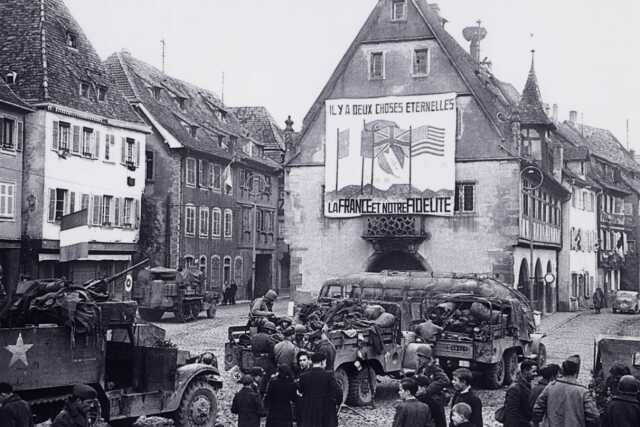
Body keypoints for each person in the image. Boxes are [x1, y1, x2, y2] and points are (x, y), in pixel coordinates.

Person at [532, 355, 600, 427]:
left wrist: (537, 422)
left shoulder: (550, 387)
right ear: (576, 372)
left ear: (563, 370)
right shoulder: (583, 392)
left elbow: (537, 409)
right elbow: (594, 416)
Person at [297, 352, 342, 427]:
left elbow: (300, 391)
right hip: (326, 411)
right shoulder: (329, 375)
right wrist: (337, 403)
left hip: (309, 411)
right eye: (325, 362)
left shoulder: (303, 376)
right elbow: (338, 392)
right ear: (322, 362)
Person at [414, 344, 451, 409]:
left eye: (420, 356)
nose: (418, 358)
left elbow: (445, 380)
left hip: (433, 399)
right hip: (423, 398)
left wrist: (427, 390)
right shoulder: (422, 366)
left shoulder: (434, 367)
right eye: (417, 355)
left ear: (427, 357)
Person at [503, 359, 538, 427]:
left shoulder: (525, 385)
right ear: (525, 371)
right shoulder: (515, 389)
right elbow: (511, 415)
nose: (536, 374)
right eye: (533, 371)